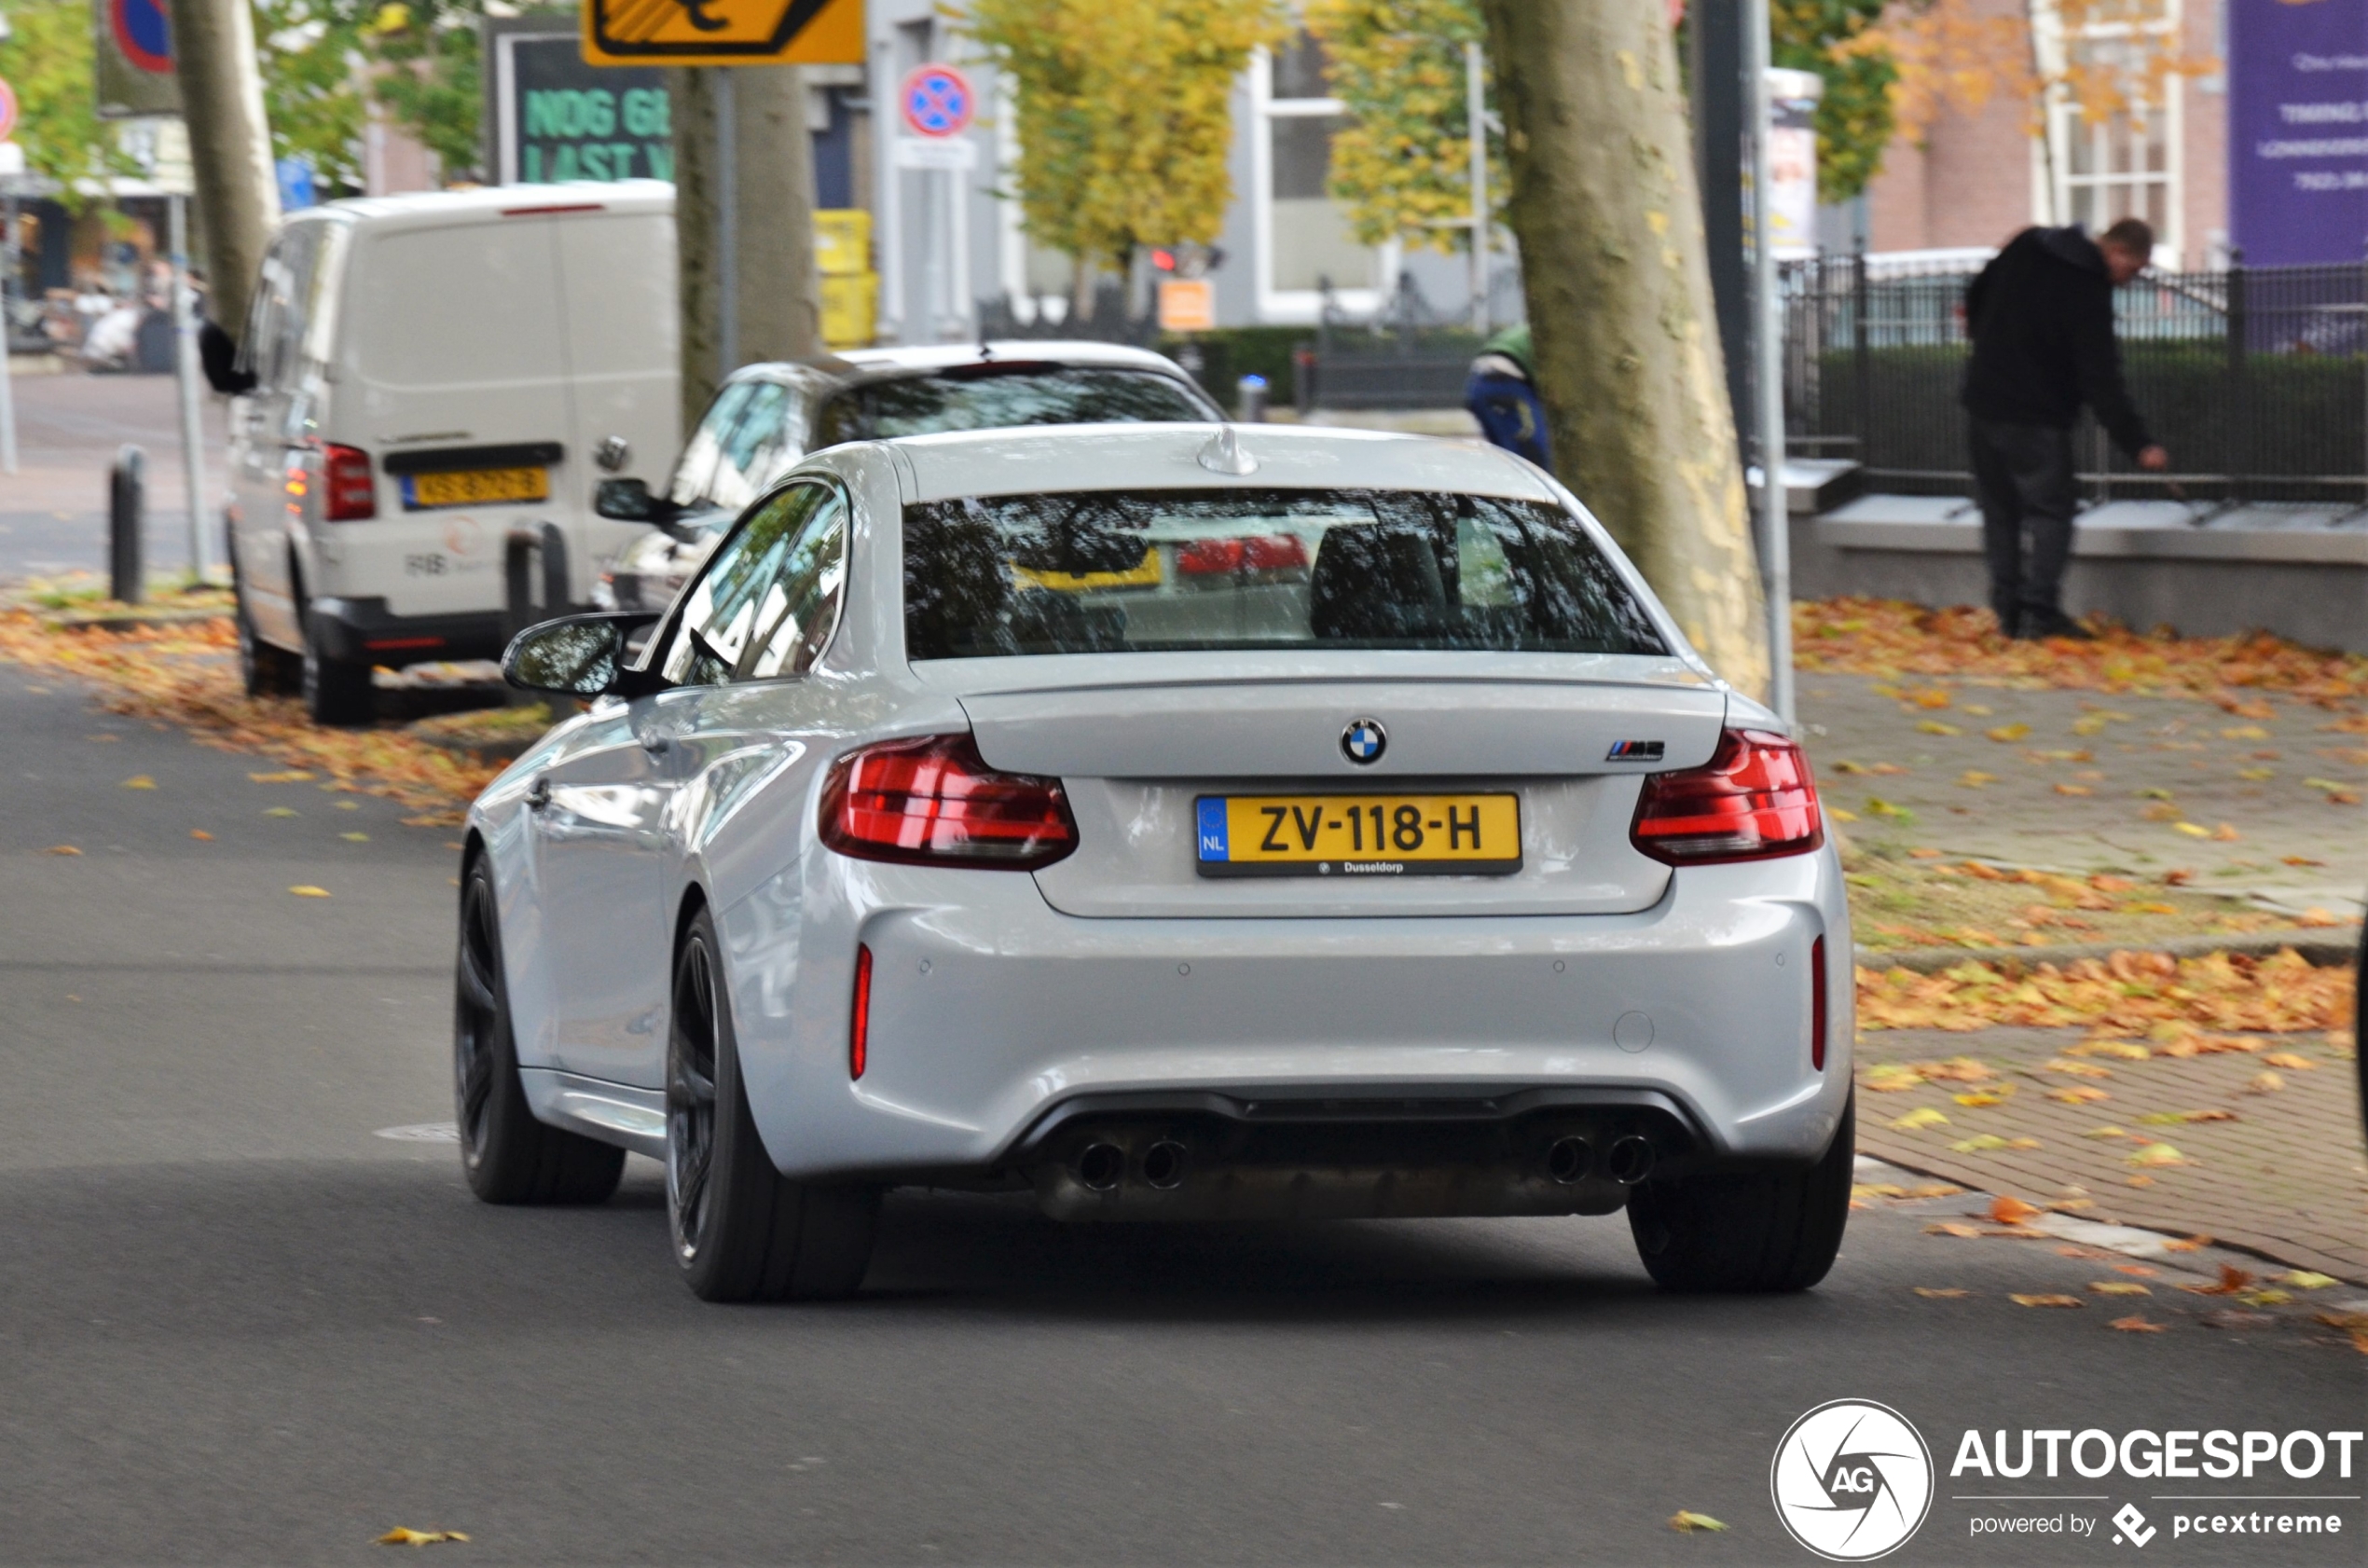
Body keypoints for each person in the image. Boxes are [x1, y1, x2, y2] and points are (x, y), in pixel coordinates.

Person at [1962, 216, 2169, 640]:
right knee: (2052, 512)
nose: (2128, 283)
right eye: (2132, 271)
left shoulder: (2027, 242)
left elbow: (1977, 294)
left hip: (1983, 402)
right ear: (2117, 252)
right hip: (2036, 416)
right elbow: (2101, 378)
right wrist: (2138, 442)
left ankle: (2008, 613)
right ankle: (2041, 612)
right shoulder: (2087, 289)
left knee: (2000, 512)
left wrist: (1990, 350)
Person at [1465, 322, 1550, 470]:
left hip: (1481, 382)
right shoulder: (1559, 336)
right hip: (1507, 383)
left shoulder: (1534, 328)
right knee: (1531, 456)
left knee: (1507, 456)